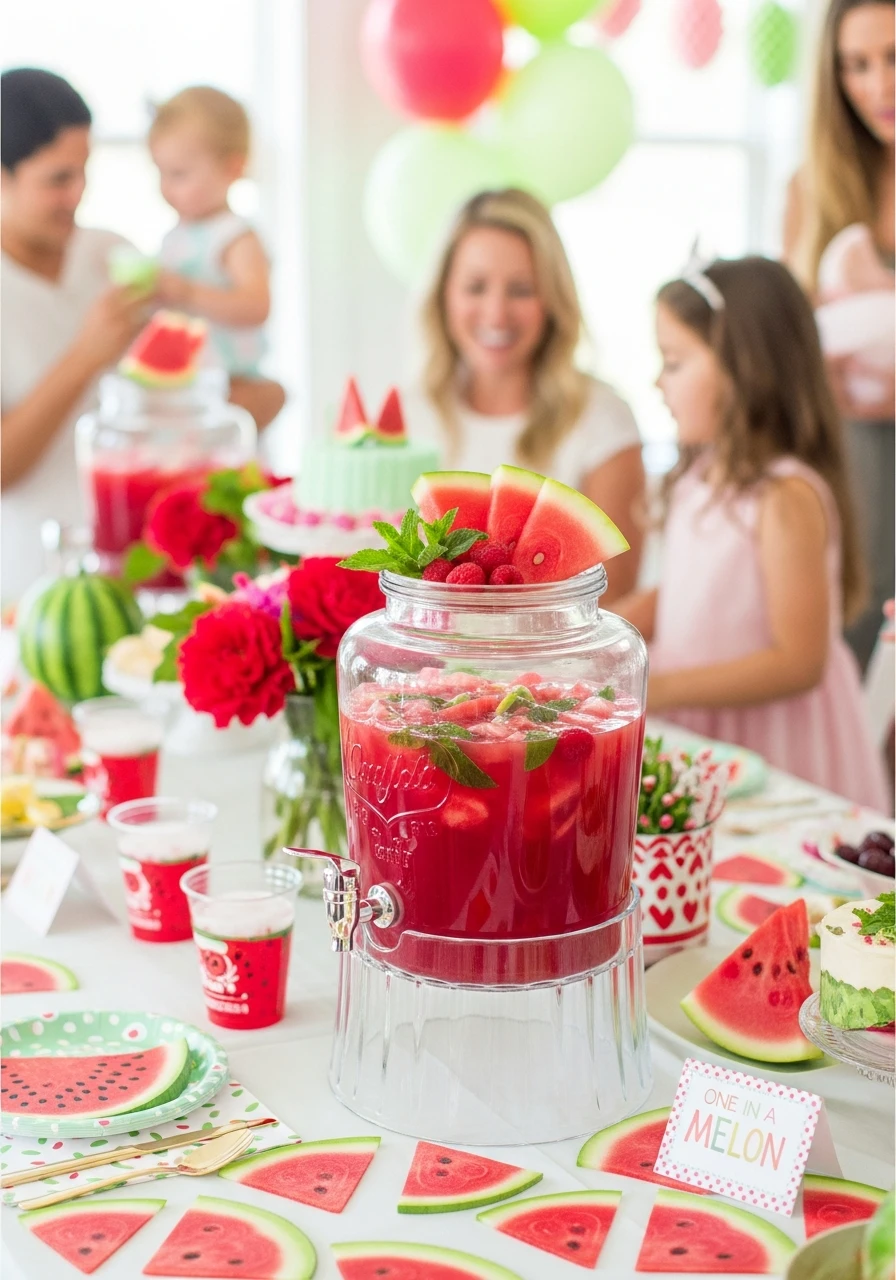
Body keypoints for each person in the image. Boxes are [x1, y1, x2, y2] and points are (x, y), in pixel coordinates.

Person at [614, 256, 888, 812]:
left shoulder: (785, 495)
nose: (657, 381)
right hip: (702, 726)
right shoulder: (699, 474)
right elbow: (687, 591)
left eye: (674, 362)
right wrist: (602, 635)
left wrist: (662, 687)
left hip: (775, 745)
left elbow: (798, 661)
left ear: (746, 370)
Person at [406, 189, 645, 603]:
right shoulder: (411, 413)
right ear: (444, 293)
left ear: (552, 299)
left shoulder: (603, 419)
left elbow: (614, 597)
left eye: (521, 289)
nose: (497, 313)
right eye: (475, 286)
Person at [1, 68, 150, 604]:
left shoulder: (113, 254)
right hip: (27, 593)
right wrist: (85, 356)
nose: (78, 194)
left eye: (85, 172)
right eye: (58, 179)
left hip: (139, 576)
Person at [784, 0, 895, 670]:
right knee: (857, 613)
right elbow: (789, 340)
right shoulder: (813, 187)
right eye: (855, 65)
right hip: (852, 447)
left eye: (893, 58)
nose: (877, 86)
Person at [149, 86, 285, 431]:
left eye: (179, 174)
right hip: (183, 388)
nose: (165, 188)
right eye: (160, 173)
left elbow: (256, 306)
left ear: (232, 168)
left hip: (229, 387)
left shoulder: (235, 236)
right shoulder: (175, 235)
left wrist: (188, 293)